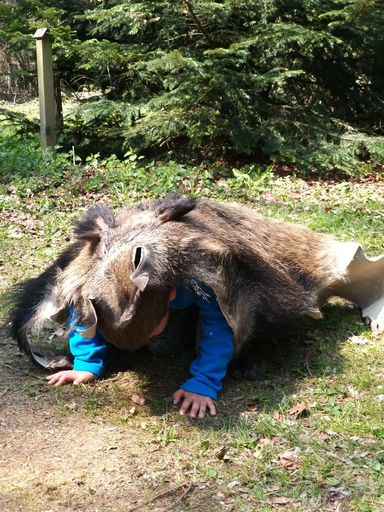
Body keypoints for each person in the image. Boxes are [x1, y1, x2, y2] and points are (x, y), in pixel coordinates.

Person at [46, 283, 234, 419]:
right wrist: (86, 361)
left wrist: (204, 381)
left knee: (167, 344)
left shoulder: (200, 278)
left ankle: (191, 317)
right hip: (172, 300)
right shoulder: (98, 278)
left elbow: (221, 319)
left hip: (200, 297)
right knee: (161, 345)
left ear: (170, 293)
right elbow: (82, 304)